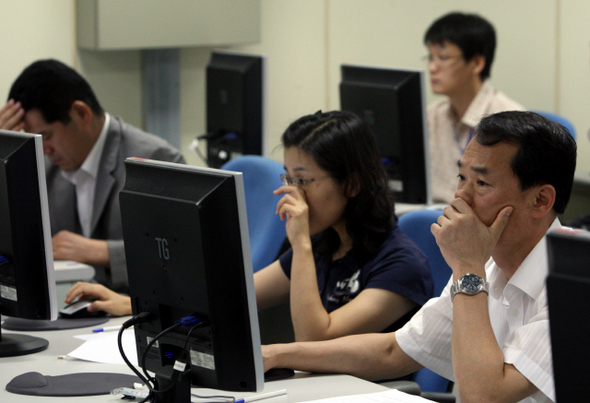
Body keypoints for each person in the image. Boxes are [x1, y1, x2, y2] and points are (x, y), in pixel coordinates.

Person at [262, 111, 577, 403]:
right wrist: (274, 355)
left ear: (540, 200)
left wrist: (468, 269)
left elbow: (483, 396)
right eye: (461, 178)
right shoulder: (489, 266)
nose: (460, 197)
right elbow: (392, 351)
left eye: (481, 183)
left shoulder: (572, 283)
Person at [67, 111, 434, 343]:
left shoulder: (400, 265)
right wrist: (131, 304)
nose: (291, 192)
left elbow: (314, 337)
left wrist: (301, 245)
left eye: (304, 181)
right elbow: (230, 294)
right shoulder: (329, 244)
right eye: (288, 177)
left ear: (352, 185)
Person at [4, 59, 185, 292]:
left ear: (81, 113)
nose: (43, 150)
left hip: (130, 314)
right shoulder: (47, 165)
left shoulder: (155, 160)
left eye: (46, 136)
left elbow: (181, 259)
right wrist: (5, 152)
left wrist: (101, 252)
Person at [425, 12, 525, 203]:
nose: (432, 67)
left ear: (477, 63)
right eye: (430, 57)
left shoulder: (510, 121)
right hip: (431, 217)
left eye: (443, 57)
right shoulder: (431, 114)